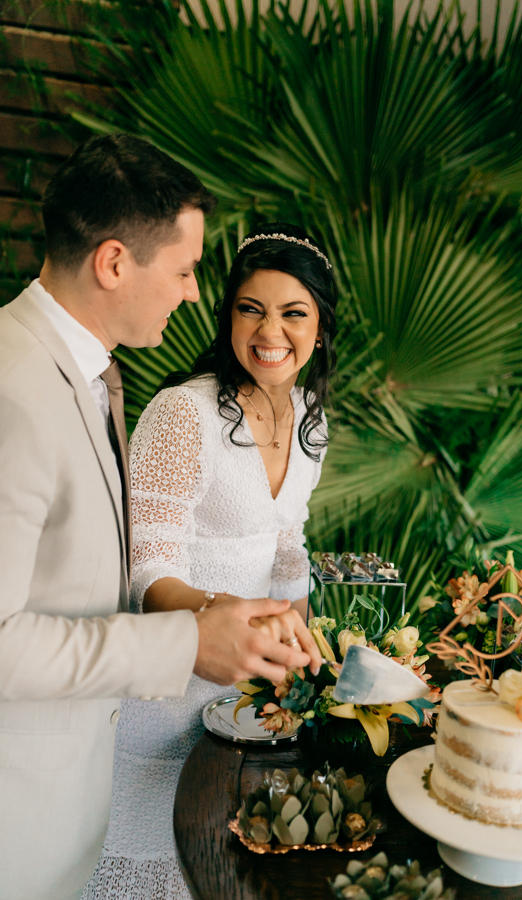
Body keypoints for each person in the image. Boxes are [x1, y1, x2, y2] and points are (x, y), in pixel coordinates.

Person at [0, 135, 320, 900]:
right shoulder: (14, 389)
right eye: (181, 271)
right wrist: (187, 635)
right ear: (114, 263)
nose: (189, 293)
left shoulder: (85, 373)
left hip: (67, 790)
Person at [82, 223, 338, 898]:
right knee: (148, 871)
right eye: (250, 308)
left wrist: (301, 650)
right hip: (161, 694)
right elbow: (144, 572)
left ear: (321, 326)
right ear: (228, 315)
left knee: (220, 871)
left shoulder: (311, 417)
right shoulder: (182, 413)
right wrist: (216, 619)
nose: (269, 331)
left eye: (293, 313)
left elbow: (289, 542)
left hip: (246, 703)